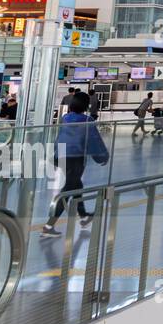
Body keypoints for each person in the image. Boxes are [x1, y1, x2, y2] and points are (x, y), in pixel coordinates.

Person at [41, 92, 109, 237]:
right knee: (68, 190)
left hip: (62, 156)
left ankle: (84, 216)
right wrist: (102, 156)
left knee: (76, 186)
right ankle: (48, 226)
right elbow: (94, 140)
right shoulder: (87, 121)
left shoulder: (65, 118)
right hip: (76, 158)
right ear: (86, 105)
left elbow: (60, 137)